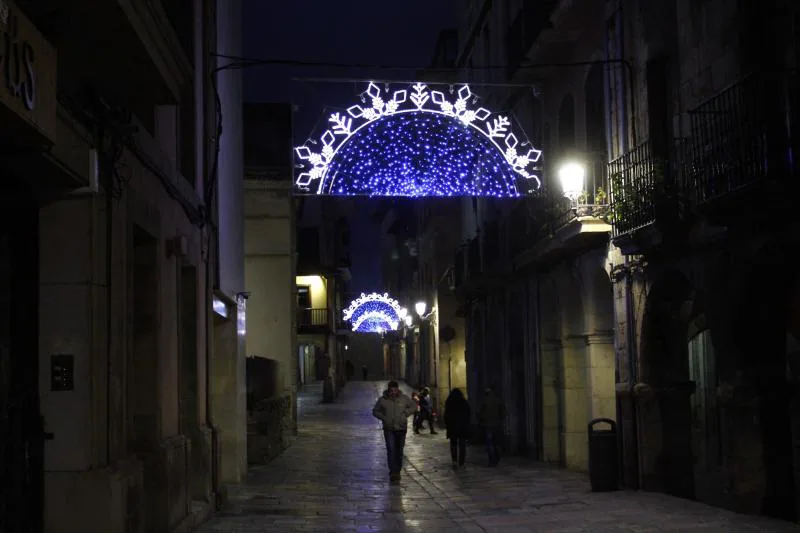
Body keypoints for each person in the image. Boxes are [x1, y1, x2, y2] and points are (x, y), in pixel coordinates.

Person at [372, 380, 416, 483]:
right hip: (389, 429)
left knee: (399, 450)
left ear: (397, 389)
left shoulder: (404, 398)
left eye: (395, 390)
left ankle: (397, 471)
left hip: (401, 428)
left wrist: (406, 413)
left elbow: (413, 406)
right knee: (391, 450)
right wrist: (384, 418)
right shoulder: (383, 400)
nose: (393, 392)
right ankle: (393, 472)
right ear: (388, 389)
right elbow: (375, 411)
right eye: (391, 390)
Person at [477, 385, 505, 466]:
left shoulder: (484, 400)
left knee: (489, 443)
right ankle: (497, 456)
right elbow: (503, 412)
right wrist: (500, 419)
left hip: (488, 424)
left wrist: (481, 420)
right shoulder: (498, 399)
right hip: (497, 424)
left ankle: (492, 460)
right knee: (497, 442)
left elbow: (479, 413)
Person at [444, 388, 470, 468]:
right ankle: (461, 460)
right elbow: (468, 413)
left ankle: (454, 461)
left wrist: (447, 424)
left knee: (453, 444)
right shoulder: (463, 402)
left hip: (452, 426)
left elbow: (446, 415)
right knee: (462, 444)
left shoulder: (449, 402)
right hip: (462, 426)